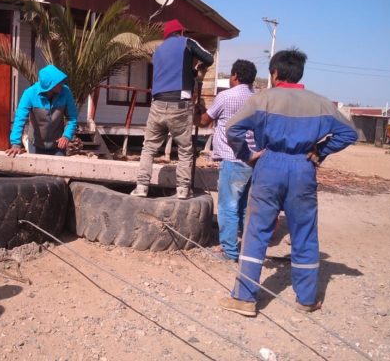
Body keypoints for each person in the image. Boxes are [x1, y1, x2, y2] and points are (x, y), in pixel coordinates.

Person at [219, 49, 358, 317]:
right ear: (299, 73)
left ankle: (245, 298)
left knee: (257, 231)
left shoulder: (263, 99)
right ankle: (306, 300)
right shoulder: (321, 103)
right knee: (304, 233)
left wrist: (248, 156)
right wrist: (320, 152)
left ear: (275, 73)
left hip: (269, 165)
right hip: (303, 168)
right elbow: (349, 132)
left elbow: (232, 129)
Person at [131, 19, 214, 199]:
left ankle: (141, 186)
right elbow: (209, 57)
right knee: (184, 148)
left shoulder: (158, 50)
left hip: (157, 103)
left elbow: (173, 73)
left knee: (149, 148)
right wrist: (200, 69)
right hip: (180, 103)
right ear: (181, 32)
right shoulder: (187, 42)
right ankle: (183, 189)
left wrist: (192, 73)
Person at [199, 60, 258, 262]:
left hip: (233, 158)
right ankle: (241, 243)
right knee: (241, 205)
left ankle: (229, 251)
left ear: (234, 76)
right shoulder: (257, 99)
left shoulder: (225, 96)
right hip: (252, 160)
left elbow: (204, 121)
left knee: (227, 206)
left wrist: (197, 109)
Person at [6, 64, 78, 157]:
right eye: (58, 82)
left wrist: (66, 136)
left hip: (58, 147)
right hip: (36, 145)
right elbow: (20, 119)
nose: (62, 83)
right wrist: (16, 143)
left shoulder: (65, 92)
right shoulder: (30, 94)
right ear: (50, 86)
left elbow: (72, 118)